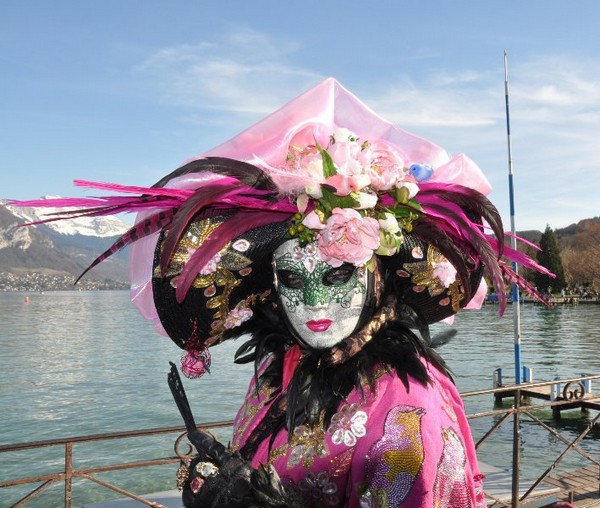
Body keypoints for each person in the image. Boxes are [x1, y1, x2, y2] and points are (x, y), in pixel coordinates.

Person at [11, 78, 552, 507]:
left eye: (339, 274)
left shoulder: (409, 407)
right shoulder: (278, 374)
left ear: (379, 277)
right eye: (292, 279)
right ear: (269, 288)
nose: (314, 304)